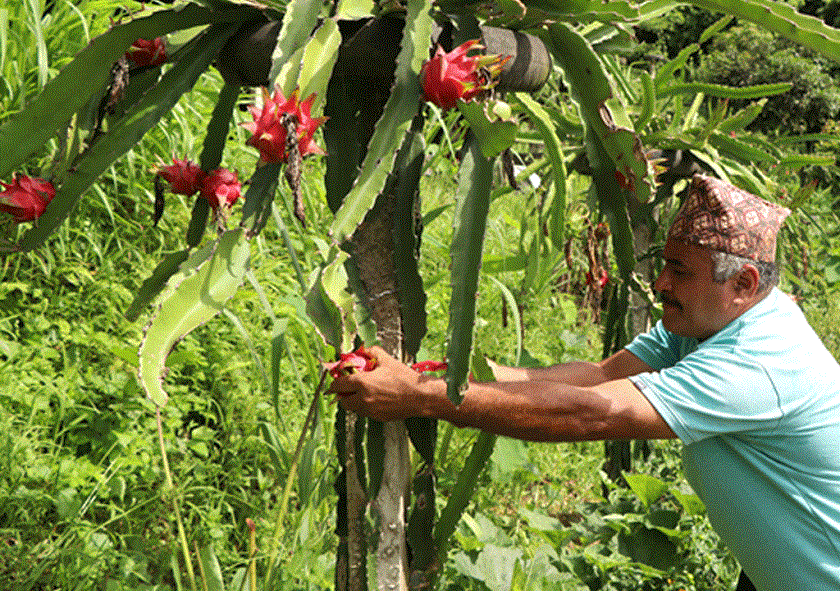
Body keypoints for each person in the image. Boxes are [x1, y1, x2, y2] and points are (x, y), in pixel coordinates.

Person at [327, 174, 840, 591]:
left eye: (679, 271)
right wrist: (430, 374)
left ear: (743, 284)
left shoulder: (760, 362)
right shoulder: (711, 322)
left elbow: (593, 412)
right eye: (663, 264)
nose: (660, 284)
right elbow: (599, 378)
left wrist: (419, 398)